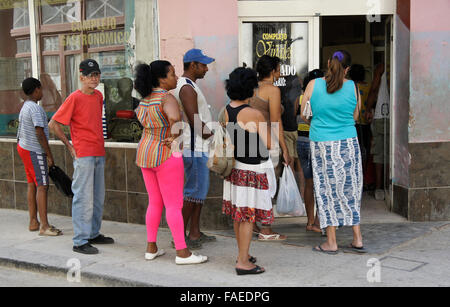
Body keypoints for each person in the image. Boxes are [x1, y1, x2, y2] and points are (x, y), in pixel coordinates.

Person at [133, 60, 207, 265]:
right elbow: (175, 118)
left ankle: (151, 247)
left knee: (155, 202)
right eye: (172, 74)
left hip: (145, 152)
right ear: (162, 79)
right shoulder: (167, 98)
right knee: (174, 205)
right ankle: (182, 252)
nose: (176, 78)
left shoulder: (145, 100)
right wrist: (175, 135)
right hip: (167, 152)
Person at [301, 50, 366, 254]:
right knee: (351, 189)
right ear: (347, 68)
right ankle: (357, 238)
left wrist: (320, 122)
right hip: (348, 143)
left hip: (322, 142)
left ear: (329, 63)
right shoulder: (354, 87)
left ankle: (331, 242)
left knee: (326, 189)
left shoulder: (313, 85)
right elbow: (356, 116)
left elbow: (304, 115)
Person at [49, 59, 114, 255]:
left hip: (98, 152)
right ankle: (79, 241)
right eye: (90, 75)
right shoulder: (74, 98)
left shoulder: (98, 96)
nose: (94, 78)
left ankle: (93, 233)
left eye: (97, 74)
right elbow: (53, 124)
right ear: (81, 77)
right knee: (82, 198)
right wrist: (69, 146)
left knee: (97, 197)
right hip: (84, 153)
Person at [223, 67, 272, 275]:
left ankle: (242, 254)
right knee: (247, 217)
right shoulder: (254, 114)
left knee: (239, 215)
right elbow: (269, 143)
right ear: (250, 88)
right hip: (251, 169)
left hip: (235, 170)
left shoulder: (226, 110)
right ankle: (243, 262)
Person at [173, 49, 216, 250]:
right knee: (192, 192)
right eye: (203, 65)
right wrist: (217, 135)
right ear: (193, 65)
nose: (206, 68)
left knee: (198, 192)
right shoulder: (186, 87)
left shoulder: (189, 86)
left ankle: (195, 232)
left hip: (198, 146)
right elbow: (195, 122)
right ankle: (179, 236)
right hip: (194, 147)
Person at [249, 55, 289, 241]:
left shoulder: (250, 88)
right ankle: (266, 228)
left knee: (253, 184)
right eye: (278, 69)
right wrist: (285, 148)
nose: (280, 73)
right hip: (267, 143)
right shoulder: (272, 90)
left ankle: (255, 224)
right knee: (268, 184)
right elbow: (275, 121)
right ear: (272, 71)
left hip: (248, 142)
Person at [17, 77, 62, 236]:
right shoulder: (35, 109)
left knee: (32, 184)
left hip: (24, 147)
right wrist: (48, 155)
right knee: (42, 186)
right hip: (34, 150)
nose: (42, 92)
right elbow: (39, 133)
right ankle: (44, 226)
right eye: (41, 89)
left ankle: (33, 221)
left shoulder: (25, 107)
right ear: (36, 90)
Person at [296, 69, 324, 234]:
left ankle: (309, 221)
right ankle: (319, 222)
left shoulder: (300, 98)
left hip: (301, 141)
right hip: (314, 141)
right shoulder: (321, 97)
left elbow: (296, 116)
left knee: (308, 183)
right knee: (320, 183)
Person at [365, 63, 389, 201]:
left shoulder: (381, 68)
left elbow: (374, 89)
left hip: (381, 114)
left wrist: (368, 108)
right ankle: (388, 186)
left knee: (379, 154)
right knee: (390, 154)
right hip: (395, 117)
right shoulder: (399, 64)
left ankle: (379, 187)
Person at [349, 64, 372, 184]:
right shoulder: (368, 87)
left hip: (353, 124)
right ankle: (363, 177)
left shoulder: (349, 87)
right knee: (365, 150)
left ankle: (354, 178)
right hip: (365, 123)